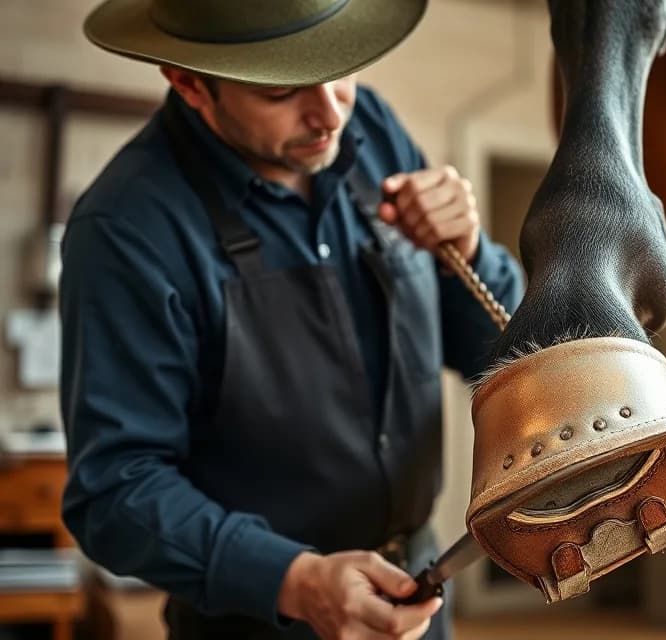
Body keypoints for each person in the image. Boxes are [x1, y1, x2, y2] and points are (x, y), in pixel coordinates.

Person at [59, 1, 524, 638]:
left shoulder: (374, 133)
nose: (330, 113)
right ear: (189, 82)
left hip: (421, 600)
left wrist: (468, 254)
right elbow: (114, 490)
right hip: (257, 620)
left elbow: (496, 356)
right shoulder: (126, 230)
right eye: (281, 90)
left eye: (340, 71)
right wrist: (294, 580)